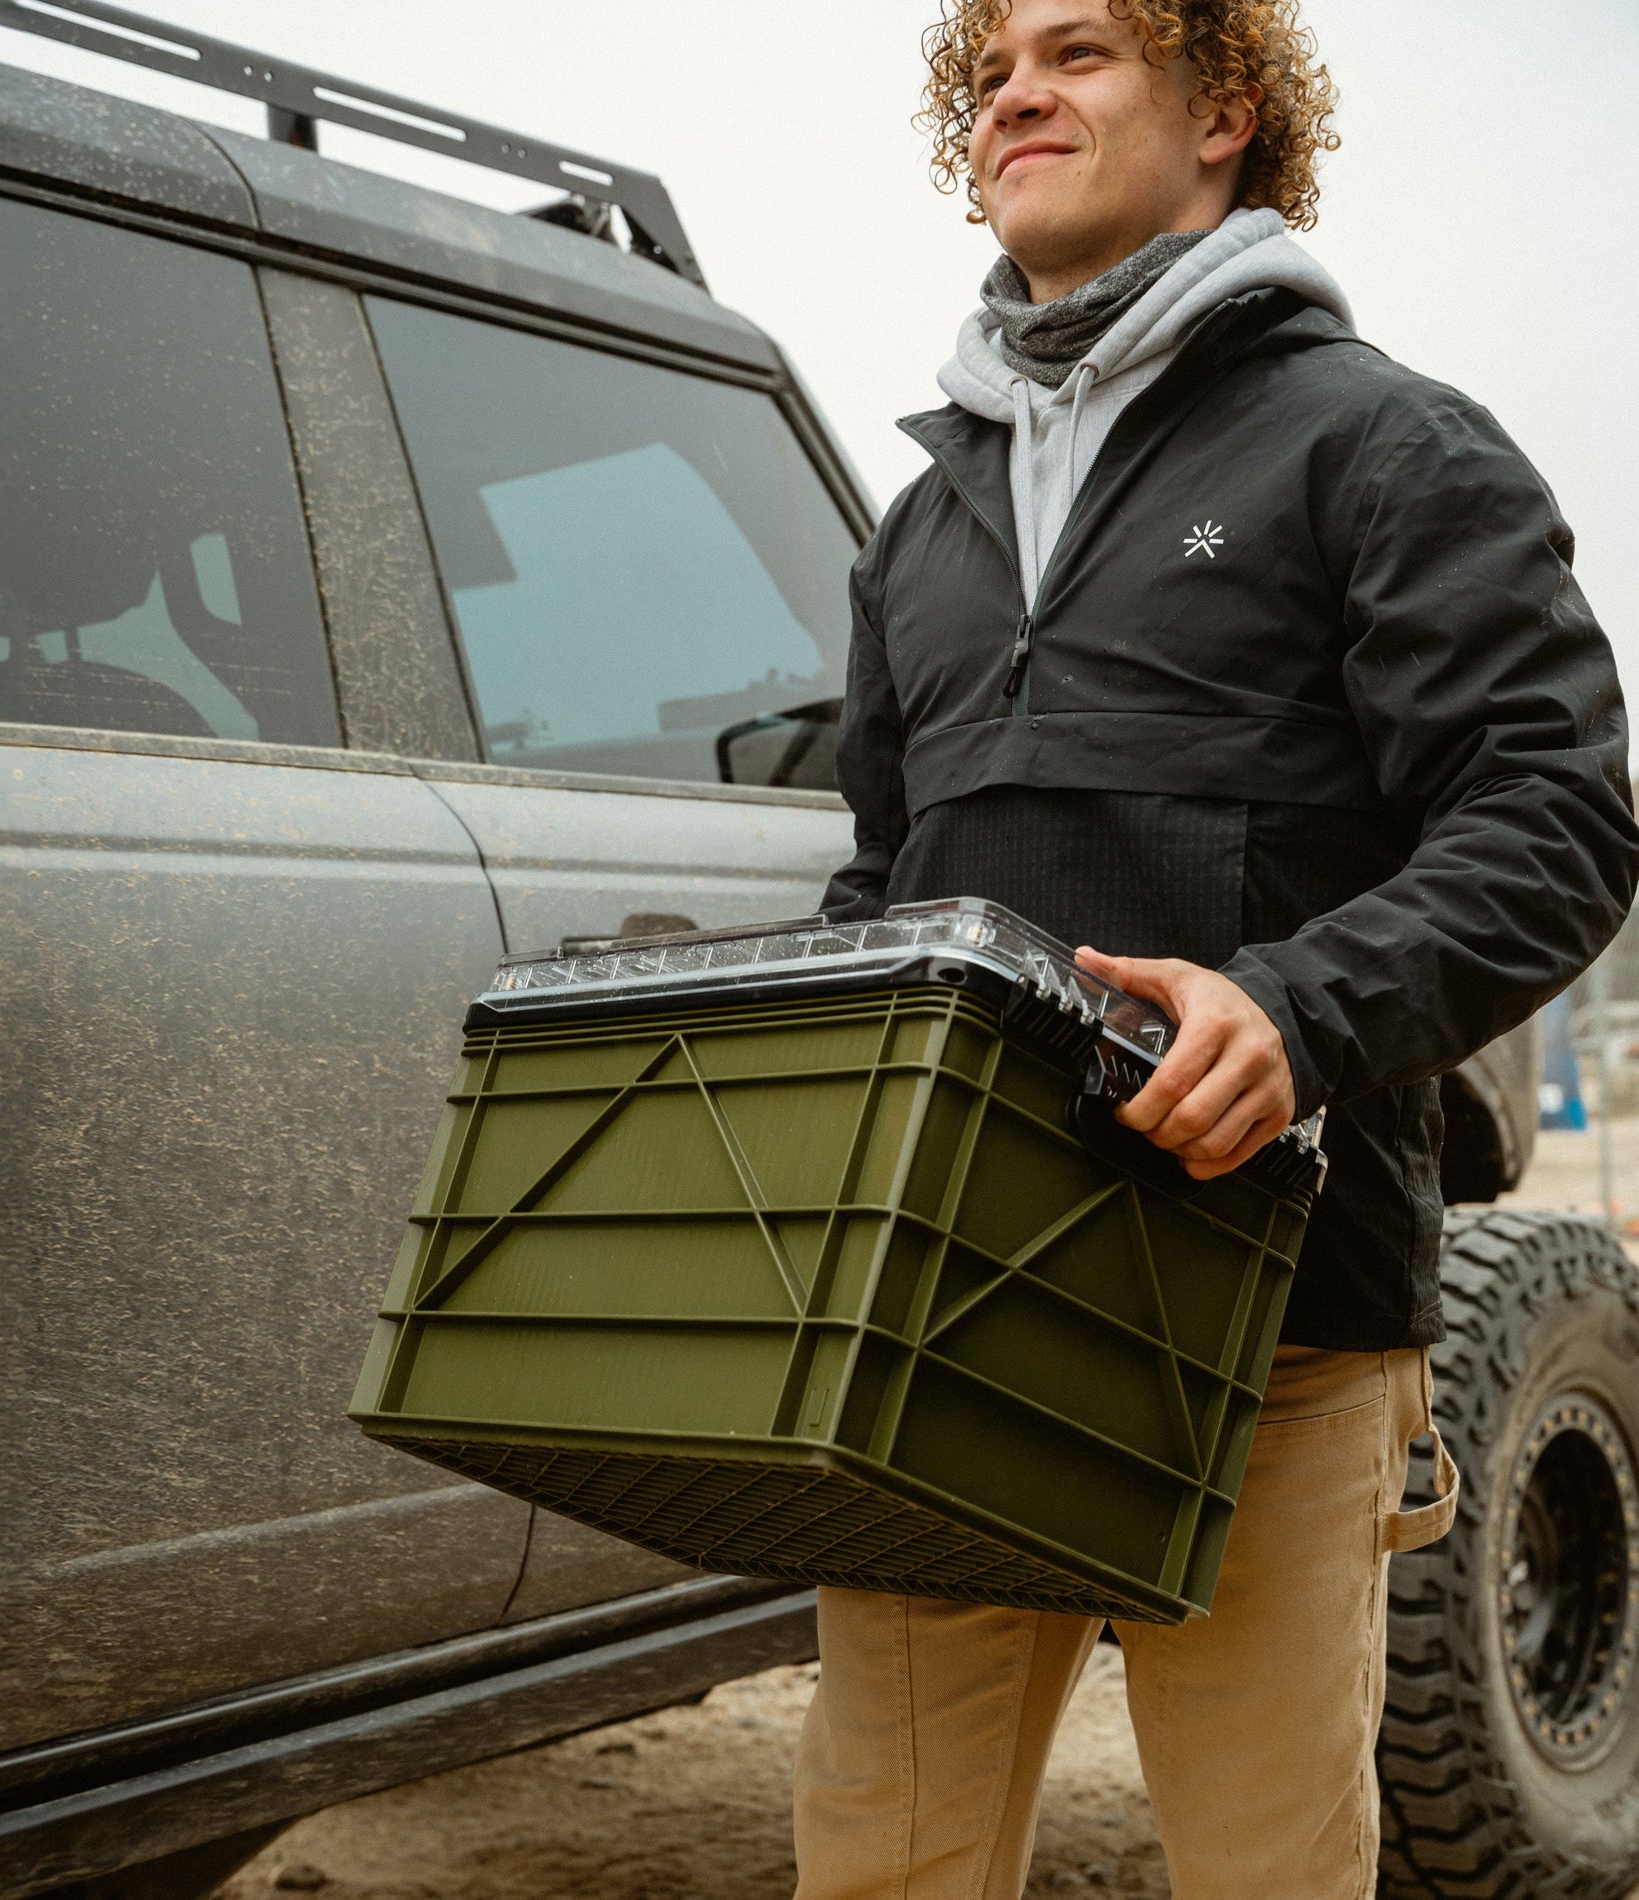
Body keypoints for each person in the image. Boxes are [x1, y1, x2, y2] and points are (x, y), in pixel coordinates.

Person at [795, 2, 1639, 1896]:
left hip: (1271, 1319)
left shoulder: (1381, 442)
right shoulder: (917, 527)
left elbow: (1557, 817)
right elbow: (882, 879)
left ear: (1223, 108)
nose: (1016, 91)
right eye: (990, 70)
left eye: (1079, 50)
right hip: (942, 1322)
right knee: (880, 1863)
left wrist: (1293, 1007)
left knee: (1267, 1867)